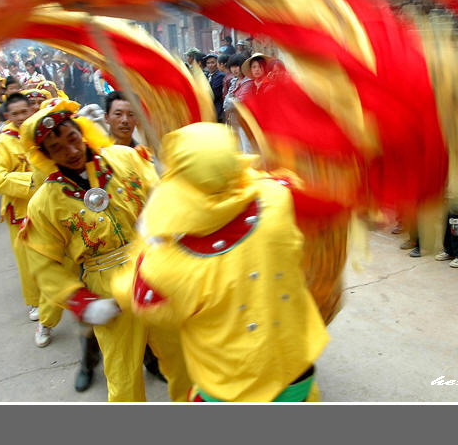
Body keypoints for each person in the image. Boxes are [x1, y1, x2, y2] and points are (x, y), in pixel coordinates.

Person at [110, 122, 330, 402]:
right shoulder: (276, 200)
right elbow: (270, 181)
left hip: (230, 389)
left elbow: (136, 297)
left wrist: (147, 238)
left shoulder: (168, 263)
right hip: (296, 374)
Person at [18, 99, 191, 402]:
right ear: (46, 155)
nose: (70, 151)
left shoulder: (124, 158)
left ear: (82, 131)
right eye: (57, 148)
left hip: (154, 268)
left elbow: (159, 197)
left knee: (181, 357)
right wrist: (82, 302)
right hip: (106, 287)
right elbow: (44, 264)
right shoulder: (45, 202)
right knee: (123, 373)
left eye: (72, 138)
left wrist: (166, 206)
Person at [0, 93, 65, 346]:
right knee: (29, 263)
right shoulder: (2, 143)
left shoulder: (42, 132)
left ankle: (61, 302)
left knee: (63, 261)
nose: (21, 118)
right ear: (8, 116)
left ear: (32, 110)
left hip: (55, 207)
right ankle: (37, 305)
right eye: (15, 114)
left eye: (25, 112)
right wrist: (33, 183)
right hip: (22, 212)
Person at [202, 53, 225, 122]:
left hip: (217, 110)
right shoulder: (207, 75)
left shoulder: (220, 76)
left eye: (212, 62)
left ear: (217, 63)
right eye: (208, 63)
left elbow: (214, 93)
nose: (210, 65)